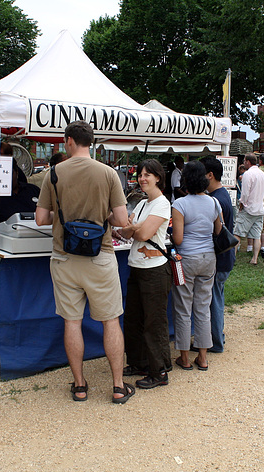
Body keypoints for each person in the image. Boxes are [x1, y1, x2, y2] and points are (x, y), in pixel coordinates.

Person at [35, 120, 134, 404]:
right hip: (100, 256)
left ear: (68, 141)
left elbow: (41, 218)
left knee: (72, 322)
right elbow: (121, 219)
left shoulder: (53, 173)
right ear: (90, 142)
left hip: (64, 258)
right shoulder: (108, 174)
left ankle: (80, 386)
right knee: (111, 321)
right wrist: (98, 218)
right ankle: (117, 386)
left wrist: (64, 220)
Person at [117, 159, 172, 389]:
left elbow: (141, 233)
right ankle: (139, 362)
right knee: (133, 319)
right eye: (140, 174)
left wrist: (134, 229)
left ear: (158, 177)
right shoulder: (141, 204)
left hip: (155, 270)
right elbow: (125, 231)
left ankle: (158, 371)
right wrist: (133, 229)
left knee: (154, 322)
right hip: (137, 267)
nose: (142, 178)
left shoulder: (162, 203)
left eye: (148, 174)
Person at [171, 160, 222, 372]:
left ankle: (184, 357)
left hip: (187, 259)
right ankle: (203, 357)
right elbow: (218, 231)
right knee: (203, 307)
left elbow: (179, 239)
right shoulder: (213, 202)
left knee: (183, 307)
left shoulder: (180, 205)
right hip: (208, 257)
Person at [202, 156, 235, 353]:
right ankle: (217, 337)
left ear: (210, 175)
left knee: (214, 302)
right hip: (225, 258)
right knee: (217, 300)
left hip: (219, 259)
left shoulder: (216, 200)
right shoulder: (223, 195)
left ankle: (215, 341)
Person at [234, 153, 264, 265]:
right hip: (259, 208)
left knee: (237, 233)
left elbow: (245, 193)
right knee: (256, 235)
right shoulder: (262, 174)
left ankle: (232, 257)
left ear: (248, 162)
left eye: (244, 161)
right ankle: (254, 258)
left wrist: (242, 203)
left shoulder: (248, 174)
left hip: (249, 208)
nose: (244, 163)